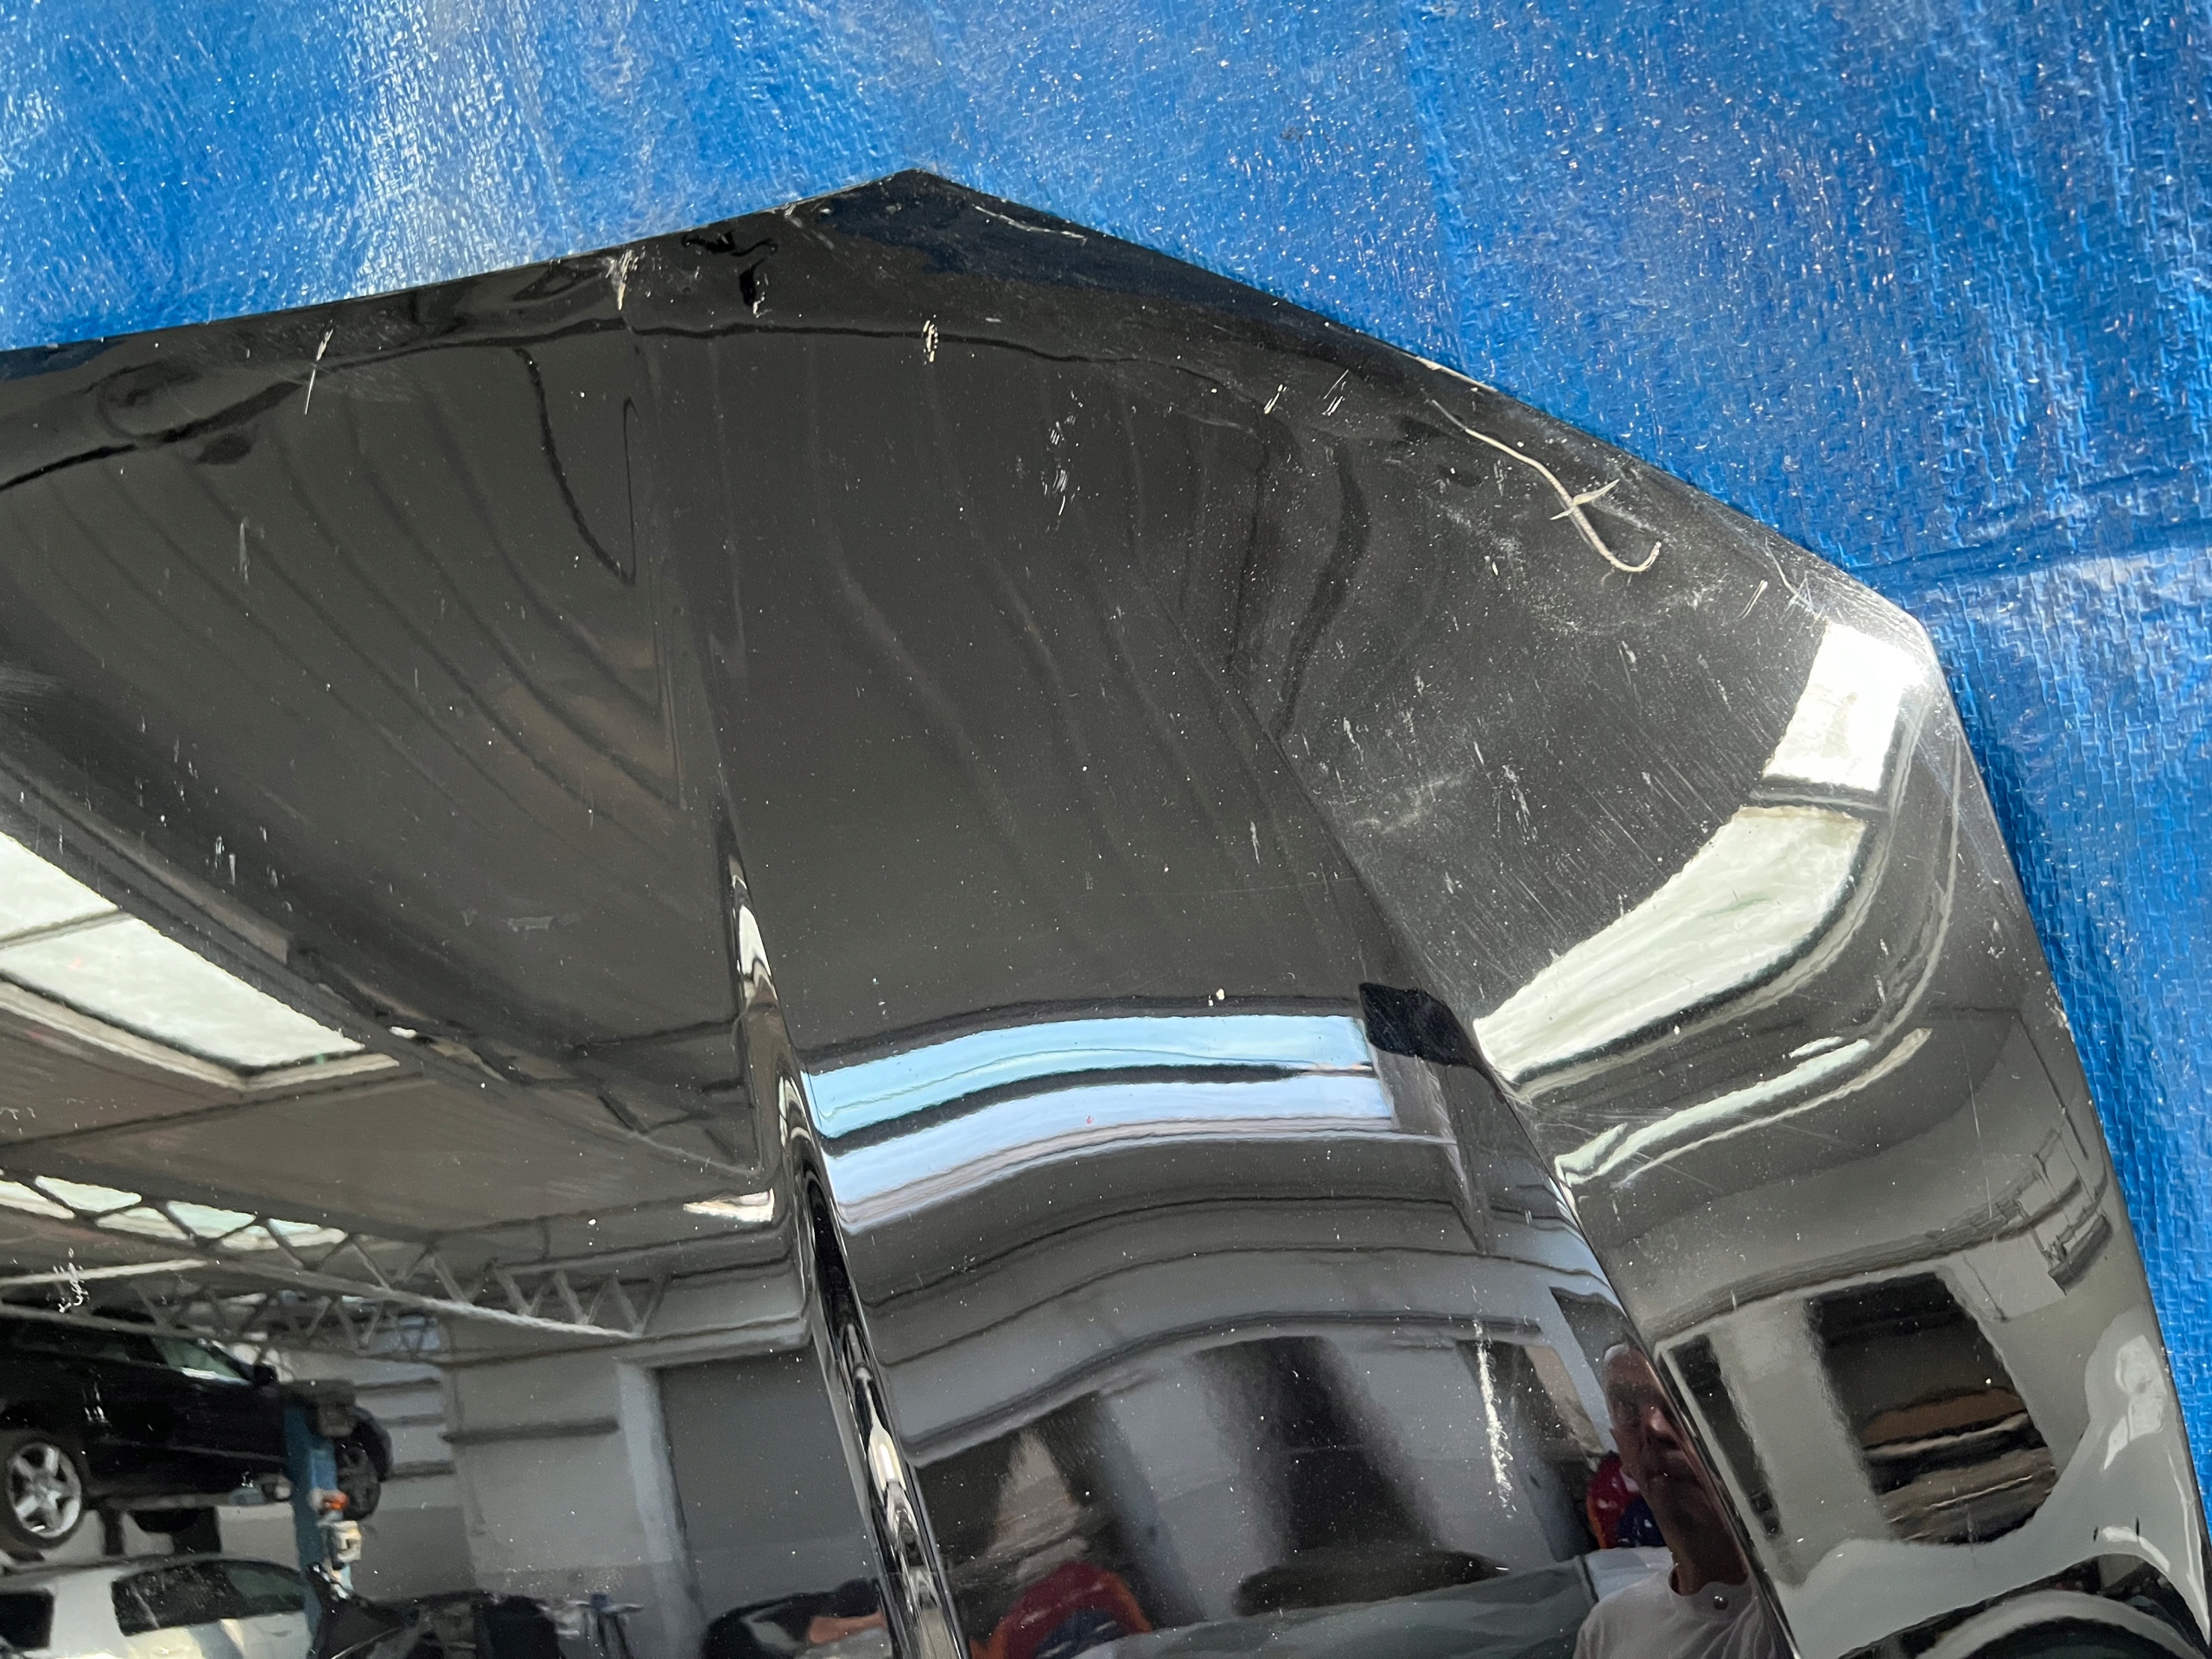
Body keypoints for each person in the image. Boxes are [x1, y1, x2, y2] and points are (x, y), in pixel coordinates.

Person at [1573, 1347, 1786, 1659]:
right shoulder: (1606, 1630)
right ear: (1620, 1445)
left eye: (1684, 1399)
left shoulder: (1803, 1612)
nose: (1654, 1426)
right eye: (1628, 1408)